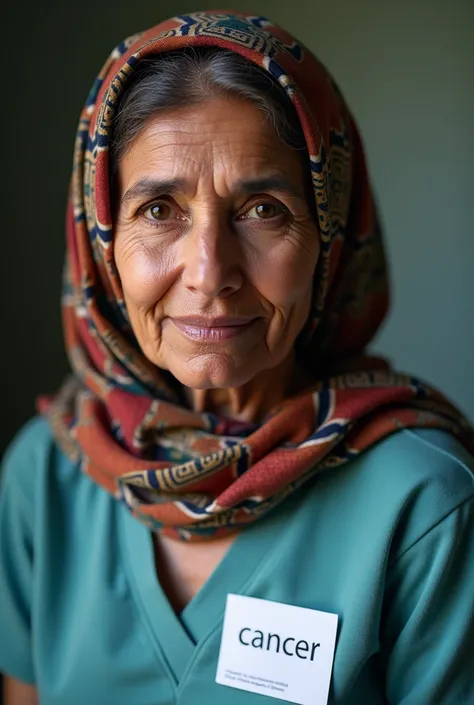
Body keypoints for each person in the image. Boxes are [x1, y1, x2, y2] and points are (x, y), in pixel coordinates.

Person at [1, 9, 473, 705]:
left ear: (329, 237)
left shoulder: (424, 502)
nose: (209, 270)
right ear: (103, 246)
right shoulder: (47, 474)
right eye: (159, 209)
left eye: (263, 209)